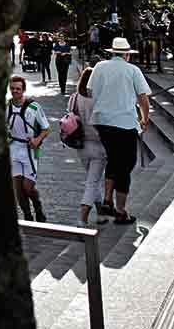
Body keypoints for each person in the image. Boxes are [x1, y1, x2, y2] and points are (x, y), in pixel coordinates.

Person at [89, 37, 150, 226]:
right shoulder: (132, 70)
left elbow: (90, 91)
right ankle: (121, 211)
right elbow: (143, 97)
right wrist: (144, 118)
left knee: (114, 158)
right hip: (123, 122)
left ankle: (108, 199)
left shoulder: (99, 67)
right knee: (126, 164)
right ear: (126, 55)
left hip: (102, 121)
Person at [7, 75, 50, 222]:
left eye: (18, 89)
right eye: (12, 88)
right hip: (13, 150)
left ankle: (37, 207)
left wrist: (37, 140)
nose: (15, 91)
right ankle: (27, 216)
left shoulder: (34, 107)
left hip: (30, 151)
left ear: (23, 90)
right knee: (18, 189)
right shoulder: (7, 107)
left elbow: (46, 128)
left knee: (28, 187)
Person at [73, 66, 110, 226]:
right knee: (92, 182)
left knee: (92, 179)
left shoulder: (74, 98)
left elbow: (71, 119)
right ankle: (82, 217)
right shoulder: (100, 98)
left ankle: (101, 213)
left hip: (81, 145)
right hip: (99, 146)